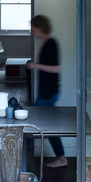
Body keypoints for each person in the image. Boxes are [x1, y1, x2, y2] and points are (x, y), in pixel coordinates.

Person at [27, 14, 67, 168]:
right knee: (44, 124)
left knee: (39, 124)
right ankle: (61, 157)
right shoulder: (46, 43)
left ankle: (17, 151)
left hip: (48, 92)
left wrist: (36, 65)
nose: (32, 32)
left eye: (33, 28)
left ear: (39, 27)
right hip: (46, 91)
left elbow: (56, 68)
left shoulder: (51, 43)